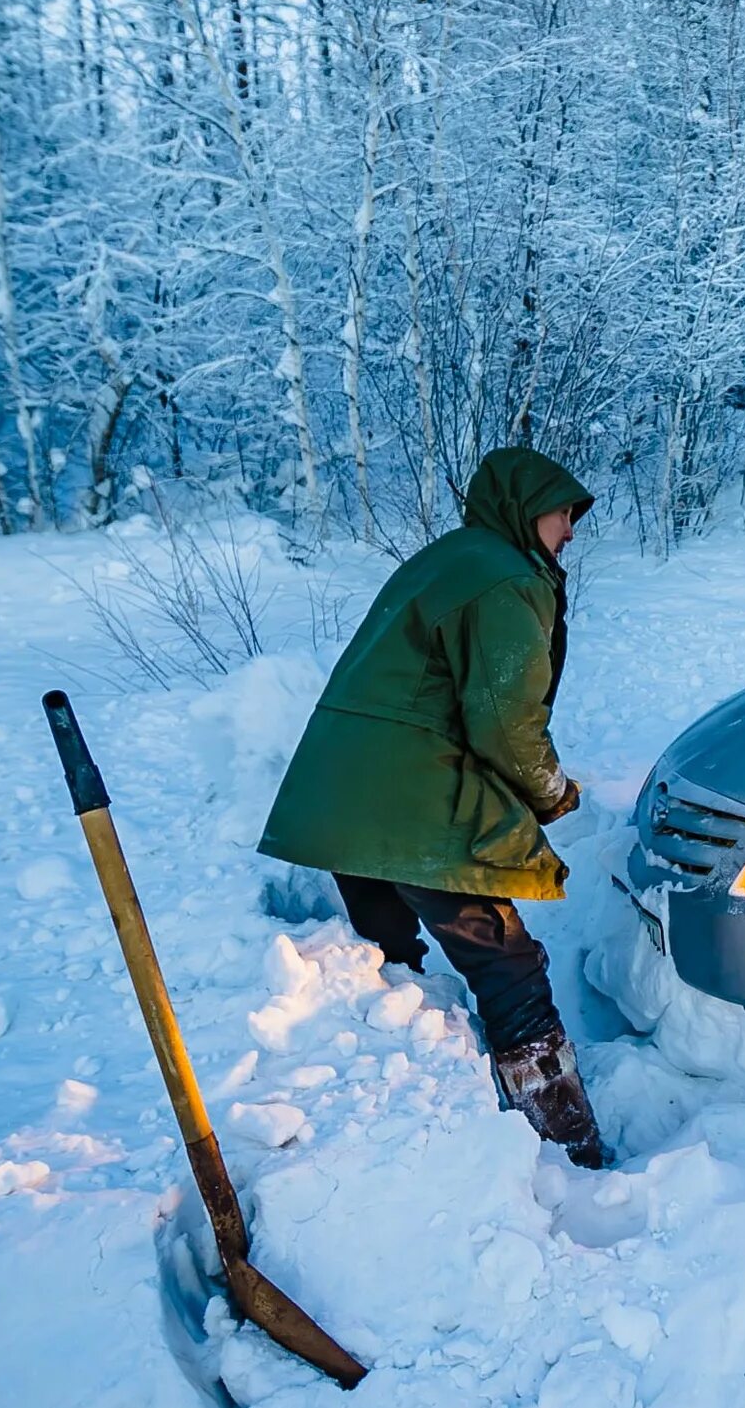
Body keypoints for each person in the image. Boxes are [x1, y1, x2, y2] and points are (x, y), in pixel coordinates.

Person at [259, 446, 610, 1167]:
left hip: (344, 799)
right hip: (410, 795)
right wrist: (550, 792)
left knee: (393, 970)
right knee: (505, 962)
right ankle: (567, 1140)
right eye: (563, 510)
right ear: (527, 507)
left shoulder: (447, 558)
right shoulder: (507, 577)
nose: (571, 528)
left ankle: (421, 1125)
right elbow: (504, 720)